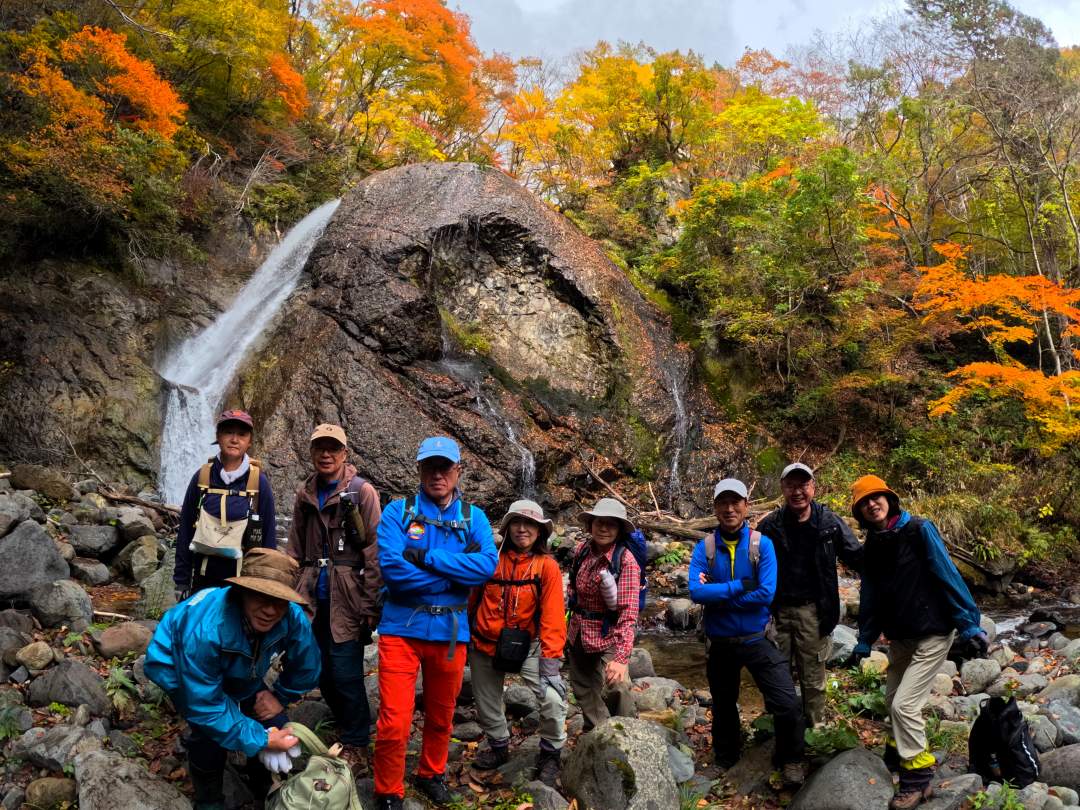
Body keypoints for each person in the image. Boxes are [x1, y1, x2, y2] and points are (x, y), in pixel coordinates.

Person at [372, 436, 498, 810]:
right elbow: (394, 572)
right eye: (430, 467)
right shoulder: (397, 512)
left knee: (442, 716)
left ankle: (431, 773)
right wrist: (455, 576)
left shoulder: (475, 518)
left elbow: (486, 566)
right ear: (419, 470)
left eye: (445, 467)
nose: (437, 474)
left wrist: (426, 558)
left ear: (458, 471)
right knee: (394, 720)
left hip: (451, 633)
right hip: (401, 630)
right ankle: (388, 791)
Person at [848, 475, 988, 810]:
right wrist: (865, 640)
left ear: (889, 499)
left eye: (876, 497)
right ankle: (898, 753)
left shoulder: (919, 530)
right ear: (860, 512)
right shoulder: (873, 545)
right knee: (893, 697)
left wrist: (969, 625)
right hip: (901, 635)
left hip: (934, 632)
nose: (871, 504)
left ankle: (917, 778)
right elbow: (872, 596)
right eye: (864, 502)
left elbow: (947, 575)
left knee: (904, 706)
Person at [145, 548, 320, 810]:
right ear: (242, 592)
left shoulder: (292, 616)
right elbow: (206, 706)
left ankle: (264, 783)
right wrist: (261, 739)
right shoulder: (205, 631)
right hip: (176, 663)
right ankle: (209, 798)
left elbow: (309, 666)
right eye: (261, 596)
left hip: (243, 670)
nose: (270, 610)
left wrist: (279, 697)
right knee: (208, 736)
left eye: (280, 600)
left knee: (275, 722)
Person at [688, 478, 806, 784]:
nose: (729, 509)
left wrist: (718, 594)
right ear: (714, 508)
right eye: (723, 503)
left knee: (787, 702)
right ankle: (726, 757)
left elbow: (766, 593)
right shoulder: (706, 547)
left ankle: (791, 758)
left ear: (746, 506)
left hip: (757, 637)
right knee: (723, 703)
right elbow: (696, 593)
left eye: (735, 502)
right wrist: (740, 586)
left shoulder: (760, 545)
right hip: (721, 641)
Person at [287, 423, 382, 773]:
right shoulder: (305, 494)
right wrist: (287, 596)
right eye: (320, 448)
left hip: (349, 596)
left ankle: (357, 740)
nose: (326, 454)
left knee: (345, 672)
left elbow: (374, 551)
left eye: (333, 448)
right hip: (313, 595)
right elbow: (295, 547)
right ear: (312, 453)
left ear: (345, 453)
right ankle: (345, 721)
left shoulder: (362, 493)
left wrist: (371, 606)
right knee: (320, 670)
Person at [756, 462, 863, 727]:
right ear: (782, 488)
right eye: (791, 485)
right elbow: (751, 565)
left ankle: (816, 727)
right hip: (777, 611)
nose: (797, 491)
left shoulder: (829, 522)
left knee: (813, 676)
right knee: (776, 673)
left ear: (813, 487)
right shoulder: (770, 525)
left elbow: (858, 558)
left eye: (803, 485)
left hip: (814, 611)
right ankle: (777, 727)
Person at [469, 499, 567, 786]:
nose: (522, 529)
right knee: (486, 702)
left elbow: (552, 615)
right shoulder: (490, 559)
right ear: (507, 527)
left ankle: (550, 753)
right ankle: (499, 746)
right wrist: (463, 638)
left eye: (530, 524)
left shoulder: (545, 567)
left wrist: (551, 661)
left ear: (540, 531)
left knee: (552, 699)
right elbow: (470, 600)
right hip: (485, 642)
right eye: (517, 522)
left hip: (529, 646)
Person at [174, 409, 276, 601]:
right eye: (228, 432)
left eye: (242, 434)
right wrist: (181, 580)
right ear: (218, 436)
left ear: (250, 441)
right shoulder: (202, 478)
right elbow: (186, 530)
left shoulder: (258, 483)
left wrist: (266, 584)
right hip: (202, 580)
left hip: (244, 581)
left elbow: (269, 536)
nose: (235, 439)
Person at [565, 497, 641, 731]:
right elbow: (572, 589)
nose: (604, 528)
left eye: (611, 524)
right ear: (591, 525)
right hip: (578, 630)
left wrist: (620, 659)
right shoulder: (581, 550)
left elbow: (628, 613)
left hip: (609, 632)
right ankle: (600, 732)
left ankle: (630, 735)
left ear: (619, 530)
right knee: (582, 684)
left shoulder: (626, 561)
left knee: (618, 686)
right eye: (600, 522)